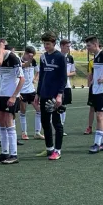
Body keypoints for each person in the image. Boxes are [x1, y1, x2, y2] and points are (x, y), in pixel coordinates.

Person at [0, 44, 25, 164]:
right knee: (1, 122)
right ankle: (4, 152)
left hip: (11, 96)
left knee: (9, 123)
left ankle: (14, 155)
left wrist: (14, 96)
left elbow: (22, 79)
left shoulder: (14, 58)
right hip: (2, 94)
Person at [34, 31, 67, 160]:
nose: (46, 46)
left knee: (56, 122)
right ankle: (49, 149)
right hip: (44, 94)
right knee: (44, 122)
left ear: (54, 43)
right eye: (44, 44)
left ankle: (57, 151)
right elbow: (41, 76)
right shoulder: (43, 57)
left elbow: (63, 78)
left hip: (55, 95)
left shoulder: (60, 57)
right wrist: (38, 93)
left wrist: (59, 95)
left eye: (48, 44)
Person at [19, 46, 44, 141]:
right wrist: (30, 59)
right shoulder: (19, 61)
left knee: (39, 110)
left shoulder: (33, 61)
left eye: (32, 56)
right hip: (22, 91)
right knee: (23, 112)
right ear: (25, 53)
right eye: (30, 55)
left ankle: (37, 132)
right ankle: (24, 133)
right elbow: (24, 66)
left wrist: (35, 78)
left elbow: (38, 71)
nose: (31, 57)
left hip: (31, 90)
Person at [60, 39, 76, 136]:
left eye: (69, 46)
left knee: (64, 106)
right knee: (56, 106)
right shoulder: (57, 56)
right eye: (67, 46)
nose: (69, 48)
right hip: (57, 86)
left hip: (67, 86)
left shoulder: (70, 58)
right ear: (61, 46)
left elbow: (74, 72)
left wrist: (67, 74)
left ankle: (61, 127)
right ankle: (56, 126)